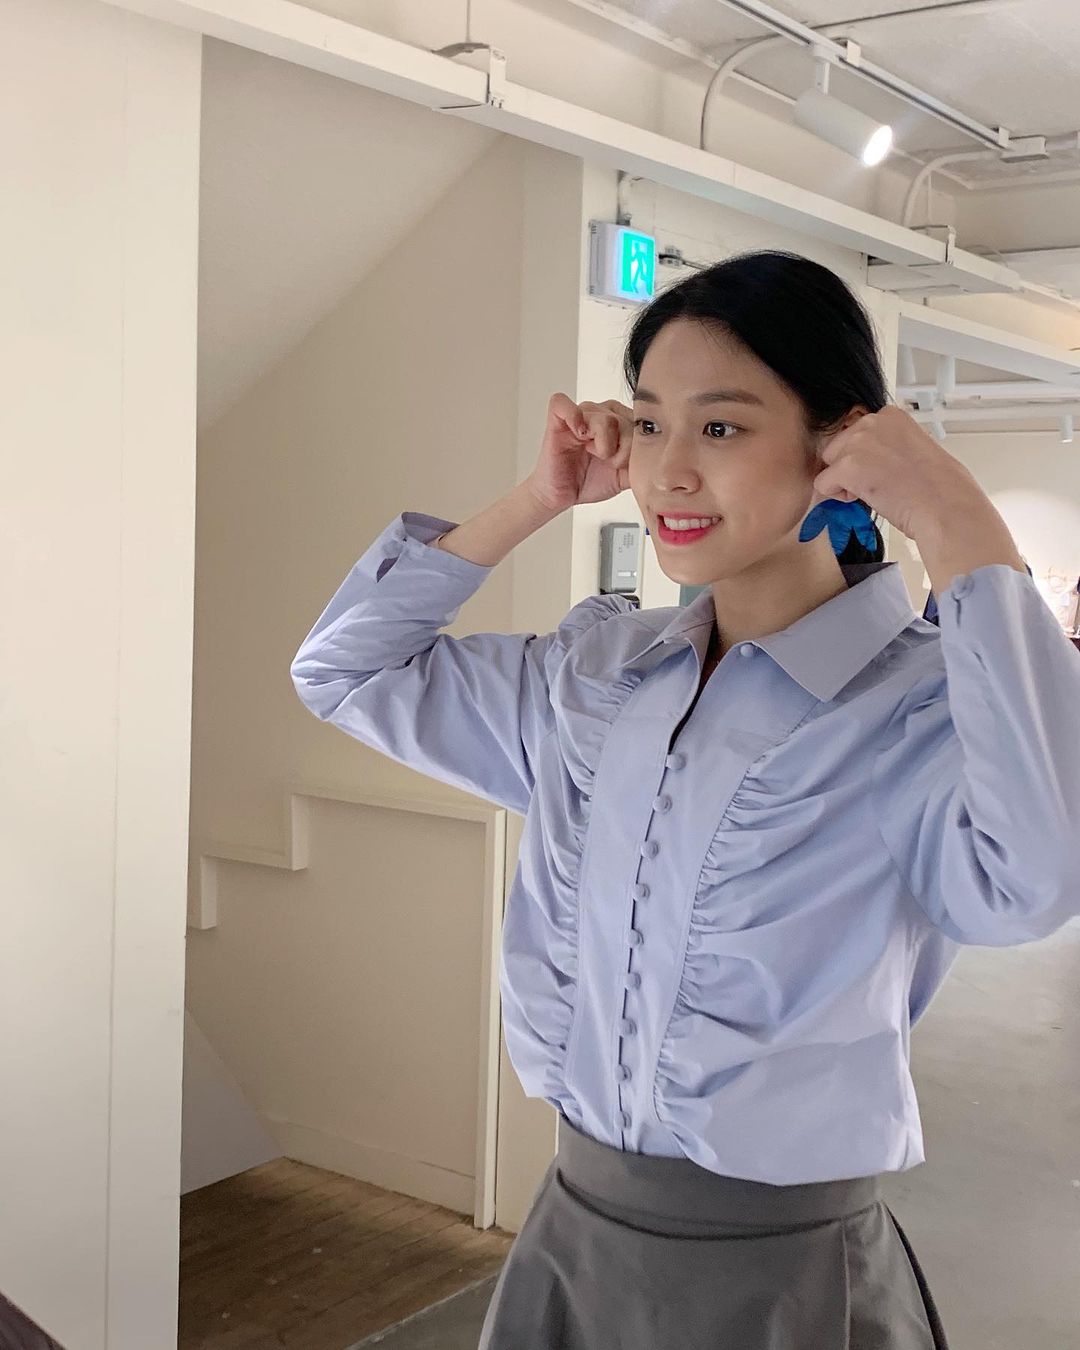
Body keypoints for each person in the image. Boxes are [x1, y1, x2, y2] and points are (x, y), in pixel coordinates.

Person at [290, 251, 1080, 1349]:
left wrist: (955, 518)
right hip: (572, 1239)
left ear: (841, 445)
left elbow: (1038, 878)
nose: (667, 470)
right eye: (651, 422)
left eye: (720, 427)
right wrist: (536, 498)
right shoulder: (597, 678)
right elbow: (343, 671)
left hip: (788, 1281)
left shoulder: (914, 708)